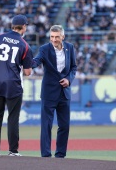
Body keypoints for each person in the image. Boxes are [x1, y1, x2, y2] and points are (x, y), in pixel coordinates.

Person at [0, 14, 33, 157]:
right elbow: (27, 72)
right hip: (13, 85)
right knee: (13, 118)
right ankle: (13, 151)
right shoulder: (24, 45)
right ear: (24, 27)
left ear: (12, 26)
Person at [32, 25, 77, 158]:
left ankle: (60, 155)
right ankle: (46, 155)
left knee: (64, 126)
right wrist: (27, 63)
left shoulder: (70, 48)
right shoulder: (44, 49)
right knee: (46, 125)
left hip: (64, 92)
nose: (54, 39)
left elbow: (73, 67)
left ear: (62, 37)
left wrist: (69, 79)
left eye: (57, 37)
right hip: (49, 93)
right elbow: (37, 60)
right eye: (52, 37)